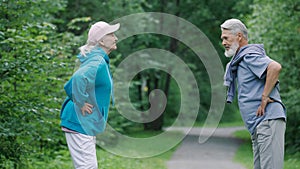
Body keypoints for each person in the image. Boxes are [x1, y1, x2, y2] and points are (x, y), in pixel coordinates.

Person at [221, 19, 286, 169]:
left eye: (226, 38)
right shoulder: (241, 60)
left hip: (268, 121)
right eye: (222, 39)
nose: (224, 42)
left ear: (239, 36)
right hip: (258, 125)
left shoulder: (249, 56)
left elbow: (275, 68)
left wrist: (264, 97)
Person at [60, 21, 120, 169]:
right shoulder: (97, 61)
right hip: (79, 121)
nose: (116, 38)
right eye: (111, 34)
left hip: (85, 123)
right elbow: (77, 79)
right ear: (101, 41)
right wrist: (80, 102)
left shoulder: (98, 59)